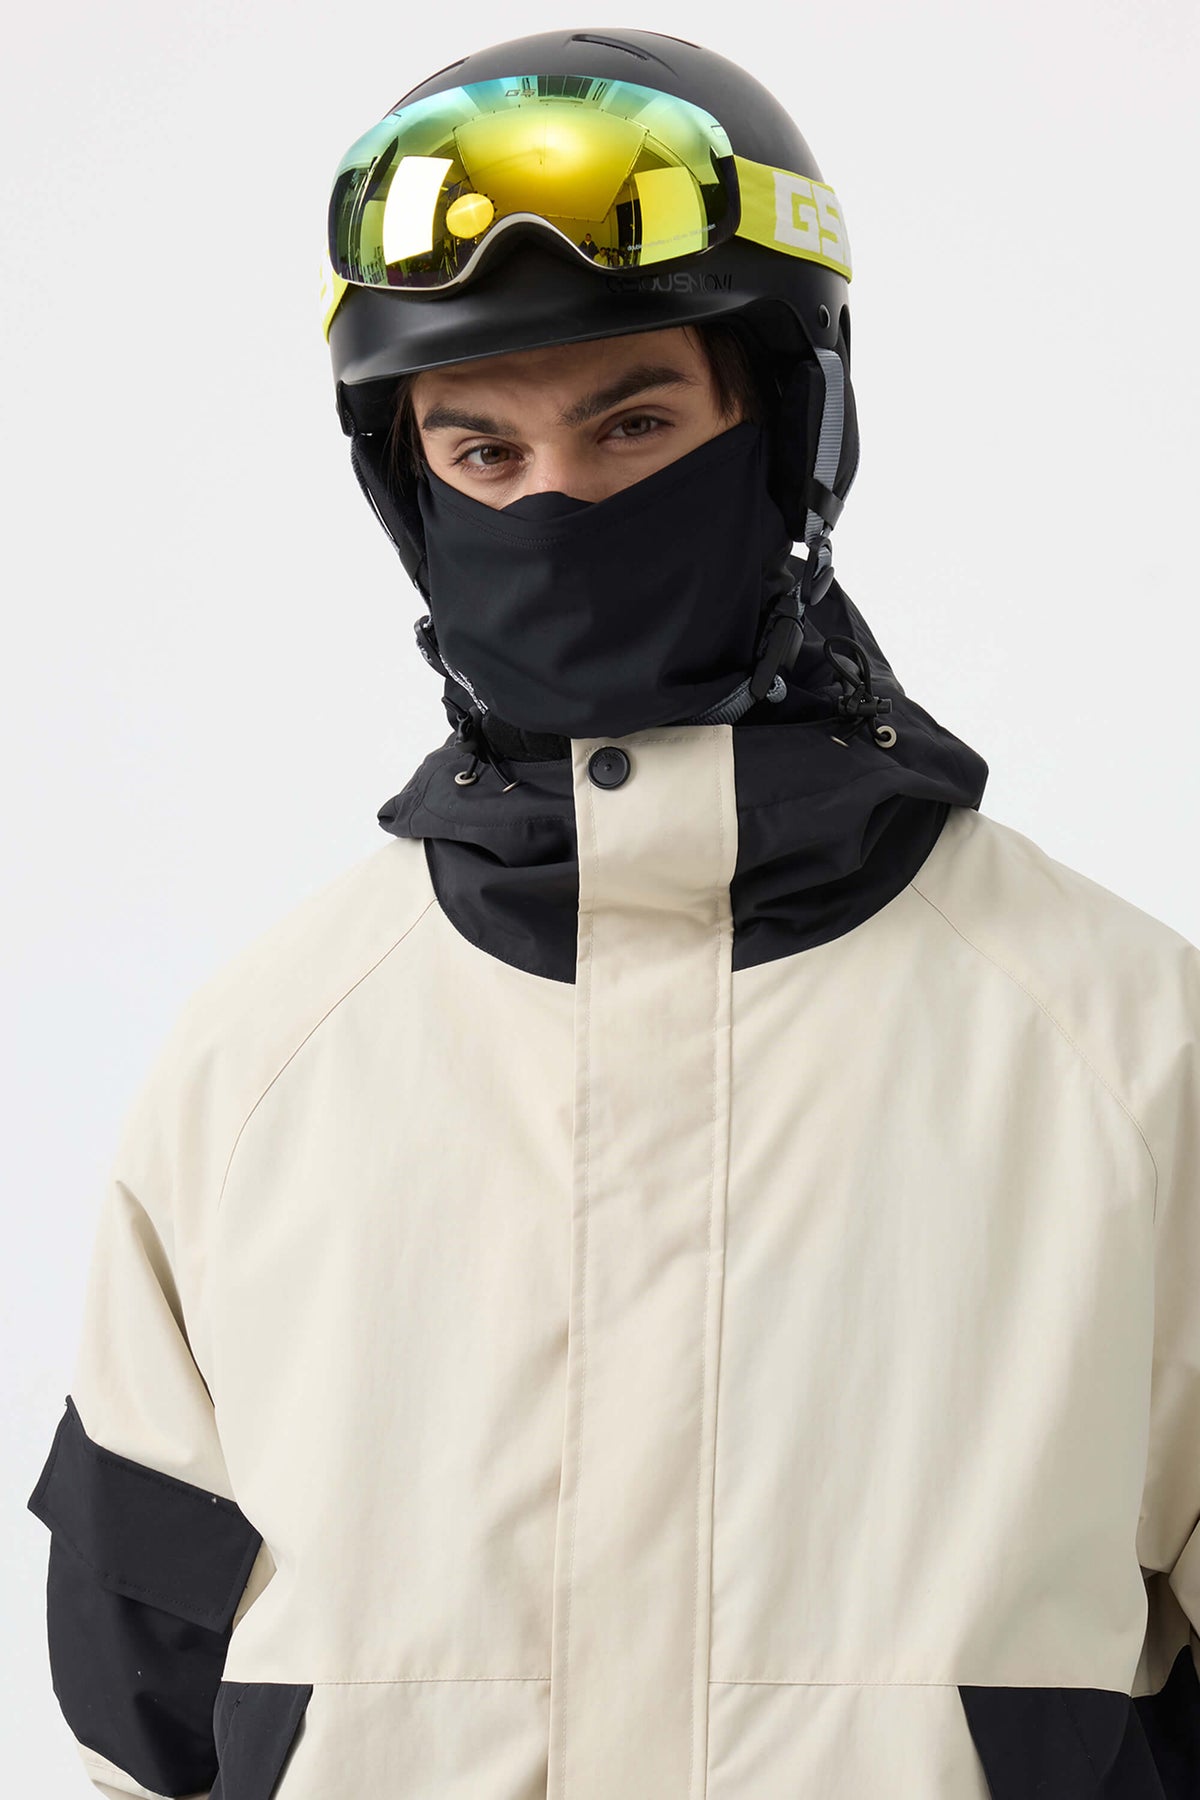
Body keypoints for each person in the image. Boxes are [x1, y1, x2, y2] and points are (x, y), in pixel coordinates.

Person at [27, 26, 1199, 1800]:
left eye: (634, 423)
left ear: (785, 433)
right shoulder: (261, 1067)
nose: (558, 500)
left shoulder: (1125, 1049)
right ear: (409, 490)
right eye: (481, 450)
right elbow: (143, 1712)